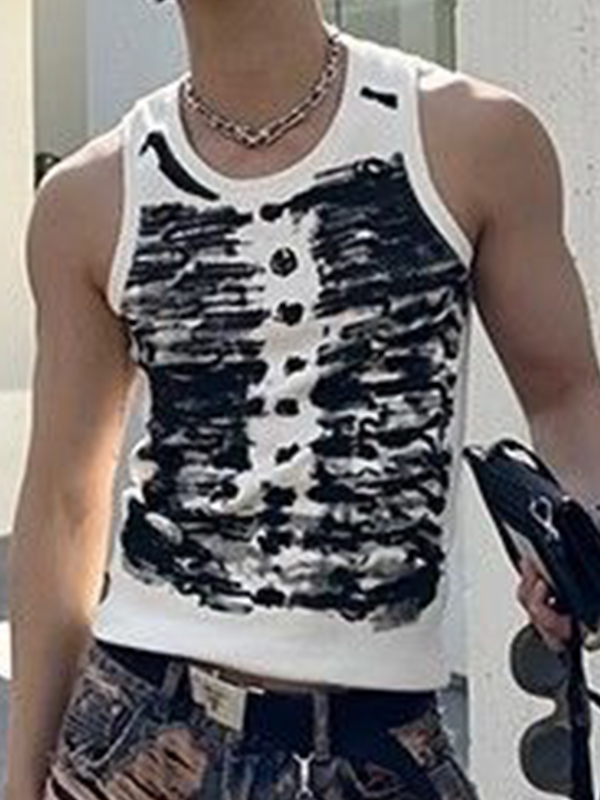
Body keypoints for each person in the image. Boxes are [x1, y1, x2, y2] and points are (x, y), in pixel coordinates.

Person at [5, 0, 599, 798]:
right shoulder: (90, 196)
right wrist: (21, 781)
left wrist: (572, 541)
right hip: (142, 734)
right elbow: (62, 502)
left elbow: (565, 395)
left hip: (378, 743)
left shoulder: (472, 139)